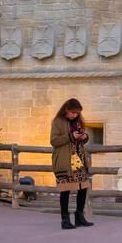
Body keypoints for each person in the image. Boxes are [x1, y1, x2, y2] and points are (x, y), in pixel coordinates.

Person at [50, 98, 93, 229]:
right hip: (64, 160)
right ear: (66, 110)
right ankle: (65, 220)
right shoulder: (58, 121)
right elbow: (54, 141)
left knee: (83, 187)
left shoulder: (79, 121)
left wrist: (84, 137)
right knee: (65, 189)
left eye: (77, 113)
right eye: (73, 112)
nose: (75, 115)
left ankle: (79, 217)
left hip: (79, 159)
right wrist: (70, 136)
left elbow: (81, 140)